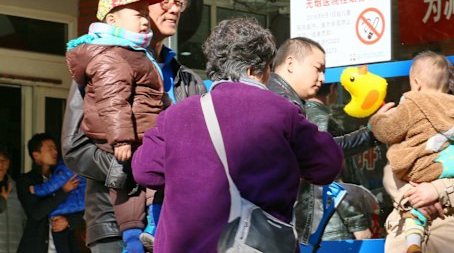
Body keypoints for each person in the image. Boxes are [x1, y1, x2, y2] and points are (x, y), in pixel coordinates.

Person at [131, 17, 344, 253]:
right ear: (258, 68)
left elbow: (144, 171)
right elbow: (328, 165)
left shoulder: (176, 115)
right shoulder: (281, 111)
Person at [61, 0, 206, 253]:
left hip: (179, 227)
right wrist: (136, 168)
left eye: (178, 0)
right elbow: (75, 147)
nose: (174, 8)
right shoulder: (102, 62)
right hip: (117, 227)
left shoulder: (187, 78)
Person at [369, 51, 454, 253]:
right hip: (407, 225)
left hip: (453, 225)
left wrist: (438, 190)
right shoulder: (411, 116)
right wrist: (411, 197)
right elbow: (392, 169)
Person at [65, 0, 169, 253]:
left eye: (146, 12)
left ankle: (152, 229)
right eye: (138, 13)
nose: (147, 19)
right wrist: (124, 164)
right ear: (112, 18)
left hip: (165, 229)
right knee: (139, 190)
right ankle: (138, 235)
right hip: (110, 226)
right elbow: (74, 146)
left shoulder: (152, 62)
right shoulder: (109, 58)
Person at [268, 37, 392, 245]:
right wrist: (370, 134)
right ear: (290, 64)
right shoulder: (285, 106)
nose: (322, 78)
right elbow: (323, 154)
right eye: (317, 68)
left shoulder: (279, 101)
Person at [296, 83, 373, 242]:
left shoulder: (297, 119)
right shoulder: (324, 123)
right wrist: (358, 223)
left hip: (310, 225)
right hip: (333, 222)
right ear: (332, 90)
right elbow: (331, 182)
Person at [16, 133, 81, 253]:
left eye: (55, 148)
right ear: (36, 155)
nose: (55, 151)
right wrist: (63, 191)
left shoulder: (62, 176)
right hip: (36, 246)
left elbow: (80, 208)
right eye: (49, 149)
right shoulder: (26, 181)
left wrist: (68, 222)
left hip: (64, 245)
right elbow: (36, 212)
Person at [29, 158, 87, 253]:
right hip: (79, 207)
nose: (54, 152)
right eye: (50, 148)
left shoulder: (66, 167)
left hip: (62, 211)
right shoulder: (84, 167)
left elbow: (52, 185)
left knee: (62, 246)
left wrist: (36, 189)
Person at [0, 147, 26, 253]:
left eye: (3, 160)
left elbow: (25, 221)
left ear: (8, 164)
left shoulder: (18, 189)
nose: (0, 164)